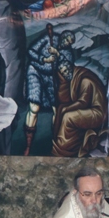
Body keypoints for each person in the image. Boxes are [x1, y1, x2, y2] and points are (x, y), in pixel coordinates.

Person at [22, 26, 75, 154]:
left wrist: (58, 55)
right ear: (62, 37)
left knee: (57, 109)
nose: (66, 43)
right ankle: (28, 145)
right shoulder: (48, 38)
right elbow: (31, 51)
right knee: (34, 108)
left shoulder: (67, 53)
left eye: (69, 43)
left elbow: (67, 69)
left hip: (51, 77)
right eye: (66, 40)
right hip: (35, 71)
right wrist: (44, 59)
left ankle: (55, 142)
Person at [51, 60, 108, 157]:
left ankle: (63, 149)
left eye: (66, 71)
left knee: (68, 117)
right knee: (61, 108)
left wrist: (67, 109)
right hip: (88, 110)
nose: (65, 74)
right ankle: (67, 144)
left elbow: (83, 102)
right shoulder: (73, 79)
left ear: (71, 68)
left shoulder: (85, 79)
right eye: (63, 73)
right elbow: (64, 100)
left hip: (97, 113)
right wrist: (63, 82)